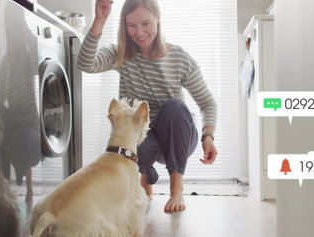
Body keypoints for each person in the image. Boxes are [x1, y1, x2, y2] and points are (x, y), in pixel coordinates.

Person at [77, 0, 218, 212]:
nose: (139, 32)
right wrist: (100, 19)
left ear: (158, 20)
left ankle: (176, 189)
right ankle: (146, 177)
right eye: (131, 25)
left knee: (174, 107)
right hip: (144, 140)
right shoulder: (121, 54)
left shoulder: (179, 58)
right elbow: (85, 64)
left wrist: (208, 136)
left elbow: (207, 102)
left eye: (145, 23)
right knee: (132, 133)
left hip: (177, 135)